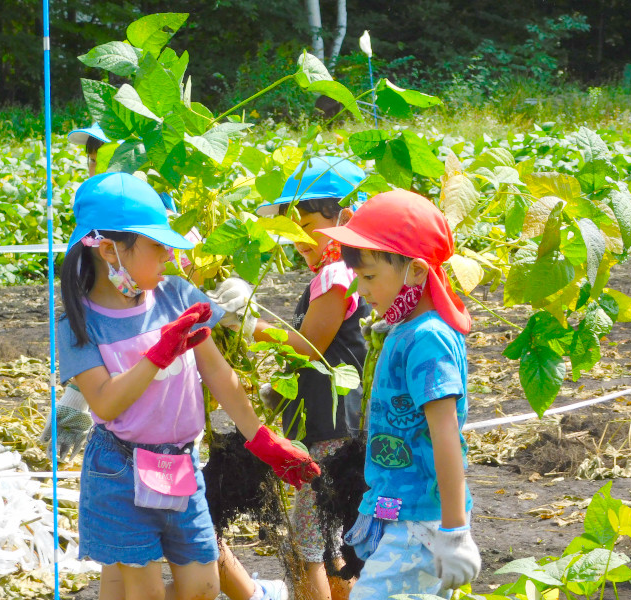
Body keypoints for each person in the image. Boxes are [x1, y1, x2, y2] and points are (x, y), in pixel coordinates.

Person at [57, 171, 320, 600]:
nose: (169, 254)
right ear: (109, 251)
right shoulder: (79, 323)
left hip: (179, 463)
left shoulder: (176, 295)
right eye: (156, 245)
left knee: (203, 587)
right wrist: (157, 356)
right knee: (142, 593)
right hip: (120, 468)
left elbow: (217, 372)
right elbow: (104, 404)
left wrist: (261, 438)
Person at [208, 156, 370, 600]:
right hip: (328, 425)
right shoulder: (336, 274)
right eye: (292, 229)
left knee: (307, 548)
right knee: (329, 541)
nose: (299, 239)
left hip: (331, 431)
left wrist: (247, 323)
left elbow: (307, 345)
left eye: (308, 225)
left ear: (345, 218)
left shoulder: (336, 275)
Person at [315, 189, 481, 597]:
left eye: (370, 277)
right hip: (401, 514)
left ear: (417, 272)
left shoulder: (428, 338)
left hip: (422, 523)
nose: (361, 288)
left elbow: (446, 434)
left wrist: (454, 530)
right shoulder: (406, 329)